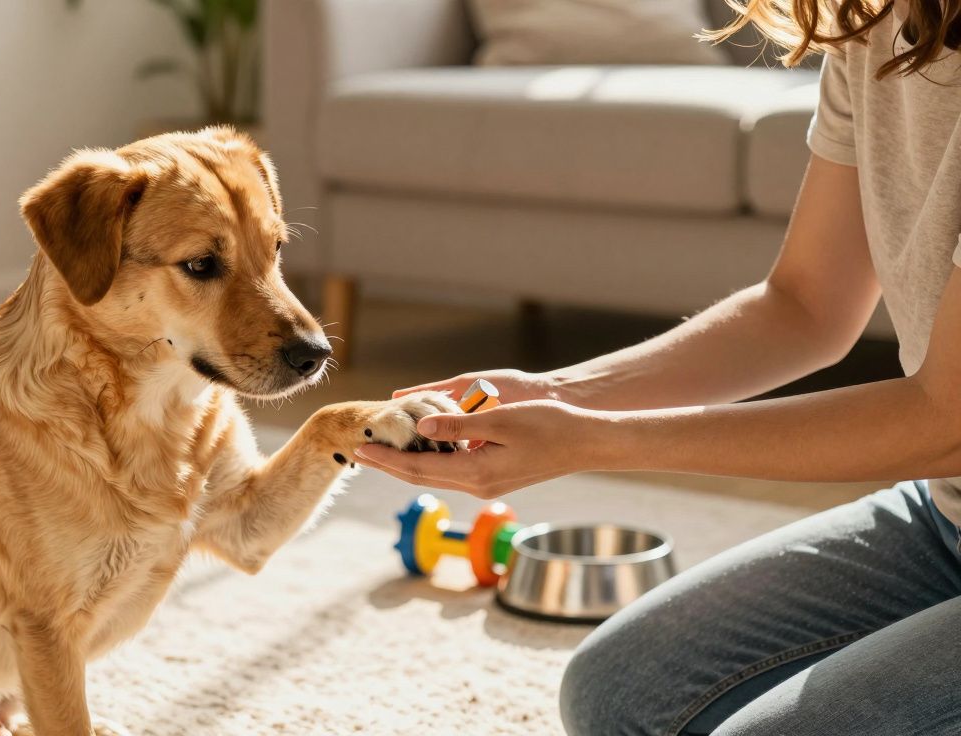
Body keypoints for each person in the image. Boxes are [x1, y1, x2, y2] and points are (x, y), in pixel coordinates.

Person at [351, 0, 961, 733]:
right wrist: (557, 391)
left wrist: (602, 440)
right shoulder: (872, 26)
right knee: (617, 694)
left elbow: (944, 418)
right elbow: (804, 305)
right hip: (946, 520)